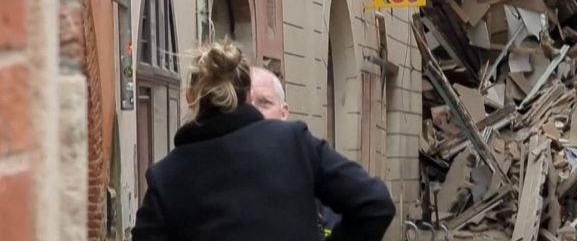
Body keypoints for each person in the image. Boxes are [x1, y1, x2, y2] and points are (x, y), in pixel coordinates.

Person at [132, 41, 395, 241]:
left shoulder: (166, 178)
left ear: (191, 97)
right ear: (247, 95)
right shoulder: (293, 142)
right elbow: (375, 203)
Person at [247, 67, 342, 238]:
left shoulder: (312, 170)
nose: (255, 113)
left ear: (284, 112)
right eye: (246, 106)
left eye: (264, 103)